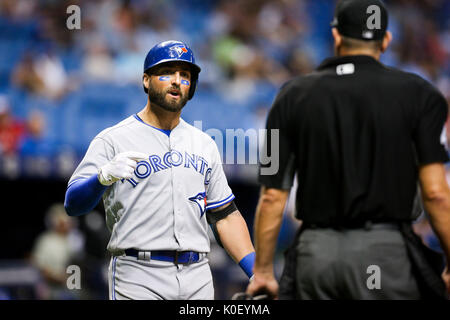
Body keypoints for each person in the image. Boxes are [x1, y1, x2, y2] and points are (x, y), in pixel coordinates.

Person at [246, 0, 450, 300]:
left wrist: (263, 272)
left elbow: (272, 195)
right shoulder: (421, 94)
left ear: (337, 36)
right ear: (386, 40)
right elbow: (436, 193)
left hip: (316, 257)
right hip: (384, 255)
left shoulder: (290, 96)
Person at [64, 40, 255, 300]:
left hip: (198, 274)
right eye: (167, 73)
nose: (177, 81)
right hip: (138, 274)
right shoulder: (112, 139)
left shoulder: (204, 143)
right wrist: (101, 178)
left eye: (185, 75)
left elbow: (225, 216)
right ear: (146, 80)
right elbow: (72, 204)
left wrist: (257, 273)